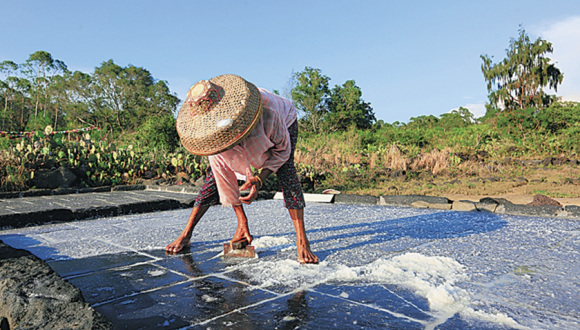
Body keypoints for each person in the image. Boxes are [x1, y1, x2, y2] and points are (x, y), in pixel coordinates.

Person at [165, 74, 318, 264]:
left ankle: (302, 240)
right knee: (212, 181)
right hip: (242, 135)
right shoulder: (213, 138)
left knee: (287, 173)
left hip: (284, 120)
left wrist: (260, 179)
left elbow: (282, 152)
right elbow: (225, 183)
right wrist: (242, 222)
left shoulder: (269, 114)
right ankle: (187, 234)